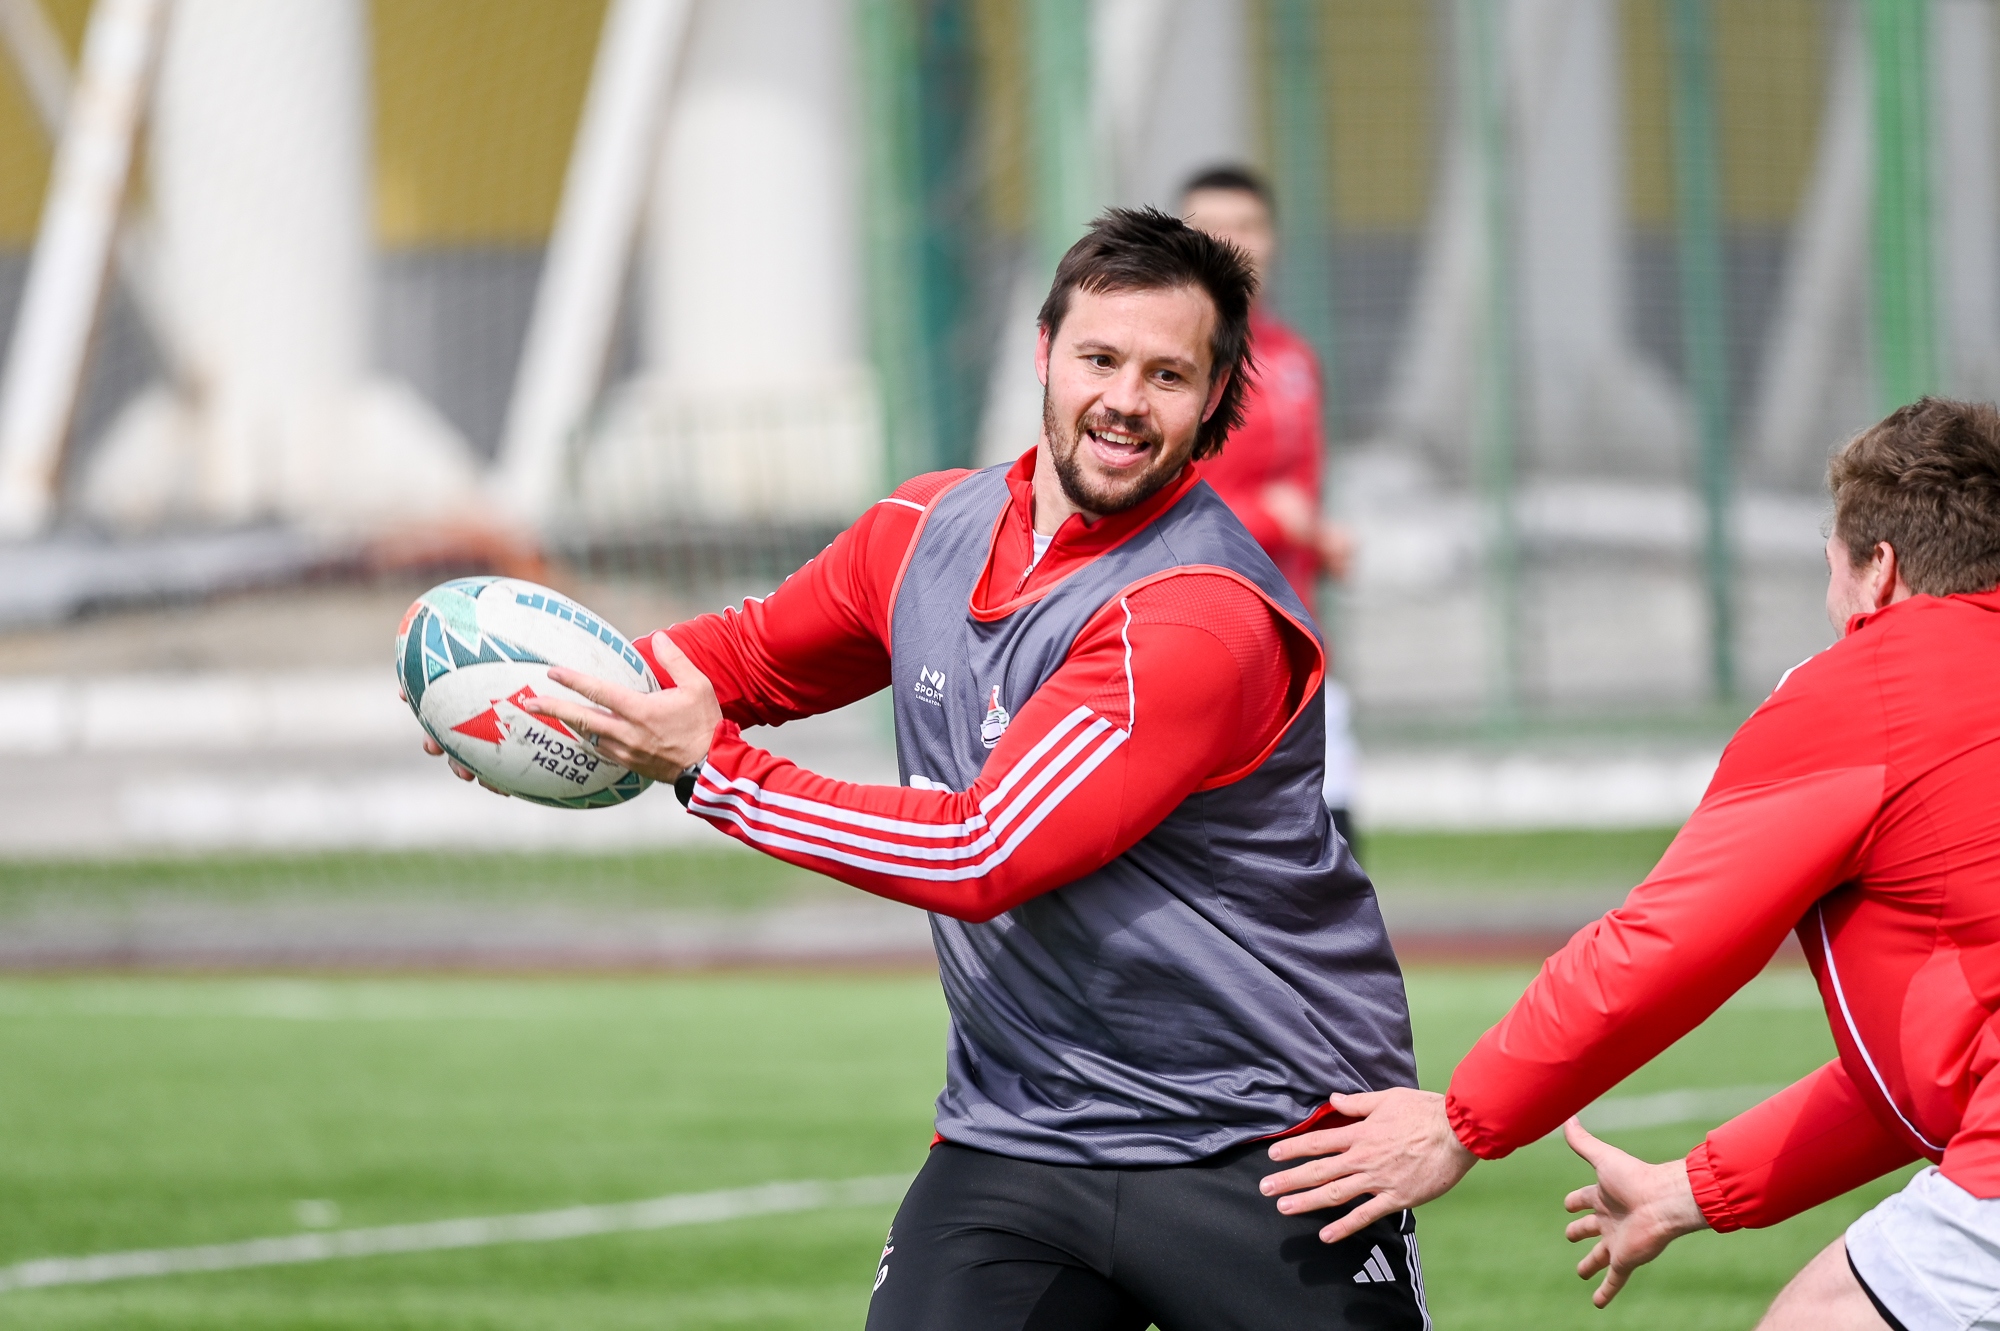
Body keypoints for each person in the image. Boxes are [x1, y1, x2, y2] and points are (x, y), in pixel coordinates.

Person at [426, 208, 1427, 1328]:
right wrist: (534, 706)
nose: (1123, 401)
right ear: (1043, 351)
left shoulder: (1195, 615)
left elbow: (981, 851)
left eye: (1167, 375)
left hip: (1271, 1141)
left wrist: (715, 770)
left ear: (1214, 396)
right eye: (1098, 358)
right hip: (1022, 1133)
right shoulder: (921, 530)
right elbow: (741, 658)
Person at [1257, 397, 2000, 1331]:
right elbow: (1926, 1074)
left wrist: (1460, 1120)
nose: (1831, 605)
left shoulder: (1873, 683)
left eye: (1831, 570)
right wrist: (1690, 1190)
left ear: (1879, 569)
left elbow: (1663, 946)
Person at [1179, 165, 1362, 852]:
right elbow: (1158, 501)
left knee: (1328, 831)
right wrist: (1270, 515)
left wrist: (1314, 534)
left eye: (1247, 226)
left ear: (1273, 238)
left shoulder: (1292, 359)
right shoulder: (1171, 358)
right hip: (1198, 629)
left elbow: (1305, 488)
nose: (1232, 242)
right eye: (1211, 227)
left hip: (1289, 631)